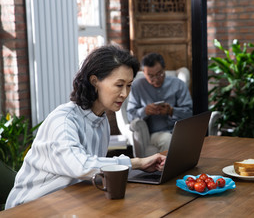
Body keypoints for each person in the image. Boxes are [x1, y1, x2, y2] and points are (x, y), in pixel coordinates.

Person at [5, 45, 166, 209]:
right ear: (94, 81)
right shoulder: (63, 120)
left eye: (129, 85)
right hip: (29, 207)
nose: (125, 93)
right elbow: (81, 166)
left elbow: (93, 172)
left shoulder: (101, 120)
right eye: (119, 85)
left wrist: (140, 170)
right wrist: (137, 162)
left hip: (69, 204)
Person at [127, 53, 192, 152]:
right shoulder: (137, 86)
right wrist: (145, 111)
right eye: (151, 76)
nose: (156, 79)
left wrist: (171, 111)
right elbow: (130, 115)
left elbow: (189, 113)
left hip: (180, 131)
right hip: (156, 133)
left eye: (159, 74)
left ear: (164, 69)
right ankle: (169, 168)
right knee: (167, 139)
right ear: (143, 73)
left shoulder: (178, 84)